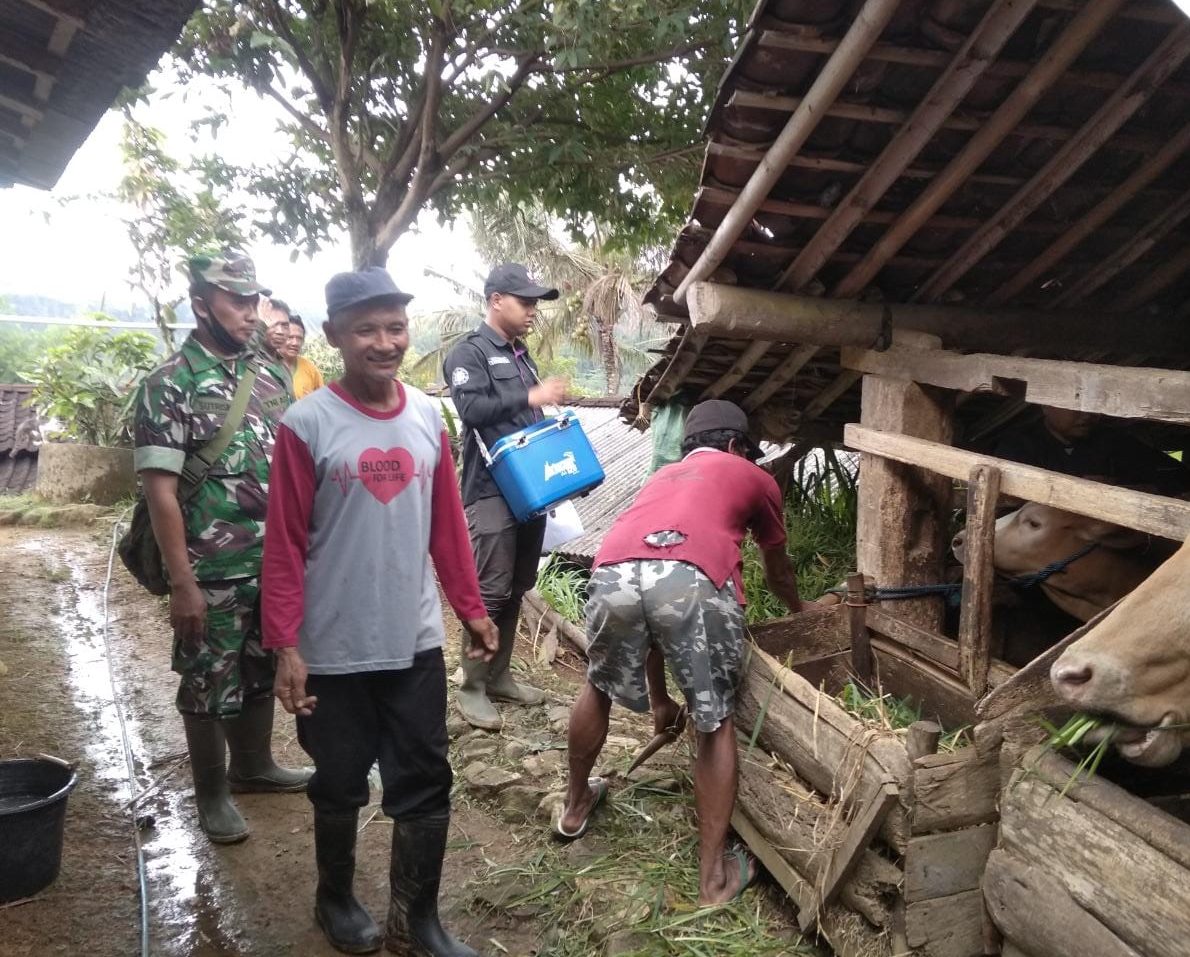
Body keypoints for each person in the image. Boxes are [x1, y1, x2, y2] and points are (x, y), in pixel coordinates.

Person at [262, 266, 498, 957]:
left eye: (395, 327)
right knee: (337, 781)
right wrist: (285, 644)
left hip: (413, 640)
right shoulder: (307, 424)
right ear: (335, 335)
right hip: (331, 644)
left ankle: (416, 920)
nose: (385, 341)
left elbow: (447, 528)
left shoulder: (428, 417)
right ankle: (335, 896)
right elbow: (282, 544)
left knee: (424, 781)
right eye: (366, 328)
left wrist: (472, 609)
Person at [559, 400, 817, 906]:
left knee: (598, 686)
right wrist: (801, 610)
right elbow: (776, 570)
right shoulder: (751, 475)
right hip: (693, 576)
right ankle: (712, 880)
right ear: (735, 446)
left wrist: (660, 701)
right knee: (714, 721)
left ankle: (574, 807)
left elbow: (650, 610)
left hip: (611, 570)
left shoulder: (661, 477)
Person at [133, 250, 310, 845]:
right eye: (235, 300)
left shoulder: (269, 375)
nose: (249, 311)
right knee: (208, 677)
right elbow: (161, 493)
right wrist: (183, 585)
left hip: (274, 562)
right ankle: (211, 793)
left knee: (261, 665)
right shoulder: (169, 385)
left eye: (253, 298)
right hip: (209, 567)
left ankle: (254, 766)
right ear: (201, 305)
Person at [443, 263, 567, 730]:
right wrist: (531, 397)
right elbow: (471, 409)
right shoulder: (468, 353)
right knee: (489, 589)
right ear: (497, 300)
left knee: (517, 585)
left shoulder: (521, 354)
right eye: (525, 301)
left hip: (530, 486)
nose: (533, 310)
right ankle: (472, 685)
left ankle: (499, 676)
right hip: (490, 489)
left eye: (536, 302)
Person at [993, 405, 1190, 496]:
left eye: (1093, 407)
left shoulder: (1114, 442)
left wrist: (1123, 489)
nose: (1087, 415)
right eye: (1076, 406)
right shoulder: (1019, 445)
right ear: (1046, 406)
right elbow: (1007, 498)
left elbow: (1181, 477)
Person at [281, 309, 326, 399]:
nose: (295, 343)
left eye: (299, 338)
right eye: (290, 337)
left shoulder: (310, 369)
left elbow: (322, 401)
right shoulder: (267, 367)